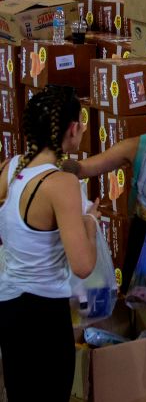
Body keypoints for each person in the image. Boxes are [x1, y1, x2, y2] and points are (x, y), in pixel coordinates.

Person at [0, 86, 98, 401]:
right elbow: (83, 266)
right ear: (72, 129)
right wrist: (91, 224)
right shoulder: (61, 184)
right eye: (81, 124)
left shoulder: (11, 167)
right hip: (44, 316)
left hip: (10, 308)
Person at [62, 87, 146, 286]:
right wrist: (51, 161)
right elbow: (85, 168)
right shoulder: (141, 147)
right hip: (145, 238)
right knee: (141, 301)